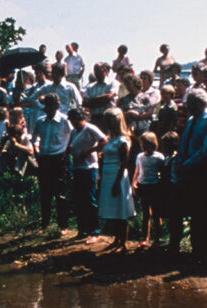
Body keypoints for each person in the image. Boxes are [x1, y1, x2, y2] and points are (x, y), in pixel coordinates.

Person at [174, 90, 207, 264]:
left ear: (202, 104)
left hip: (203, 169)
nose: (189, 108)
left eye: (192, 104)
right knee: (194, 211)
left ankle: (206, 252)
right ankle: (196, 250)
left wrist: (186, 164)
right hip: (189, 169)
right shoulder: (190, 120)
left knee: (204, 211)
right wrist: (179, 163)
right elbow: (183, 145)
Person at [32, 93, 71, 231]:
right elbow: (35, 138)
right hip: (44, 158)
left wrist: (66, 152)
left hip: (59, 158)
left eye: (50, 106)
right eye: (46, 105)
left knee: (60, 193)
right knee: (45, 192)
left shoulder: (64, 121)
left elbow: (72, 136)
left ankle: (63, 225)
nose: (47, 108)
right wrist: (36, 150)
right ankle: (45, 224)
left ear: (56, 106)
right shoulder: (40, 121)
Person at [98, 108, 135, 251]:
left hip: (117, 174)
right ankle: (116, 238)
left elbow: (124, 163)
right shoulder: (111, 139)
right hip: (108, 173)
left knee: (121, 209)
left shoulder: (122, 140)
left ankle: (123, 242)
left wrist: (117, 182)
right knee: (113, 210)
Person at [68, 108, 106, 240]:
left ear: (81, 119)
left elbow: (103, 140)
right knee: (79, 200)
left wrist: (90, 151)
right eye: (72, 121)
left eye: (76, 121)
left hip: (90, 167)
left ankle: (94, 230)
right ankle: (82, 229)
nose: (74, 124)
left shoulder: (90, 128)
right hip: (77, 167)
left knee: (90, 199)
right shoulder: (73, 131)